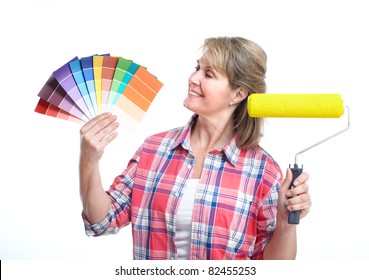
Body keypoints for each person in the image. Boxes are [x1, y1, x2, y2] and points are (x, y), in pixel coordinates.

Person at [79, 36, 311, 260]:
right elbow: (102, 220)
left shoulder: (263, 171)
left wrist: (285, 222)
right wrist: (89, 160)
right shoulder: (154, 150)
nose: (193, 78)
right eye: (197, 68)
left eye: (208, 74)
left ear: (237, 94)